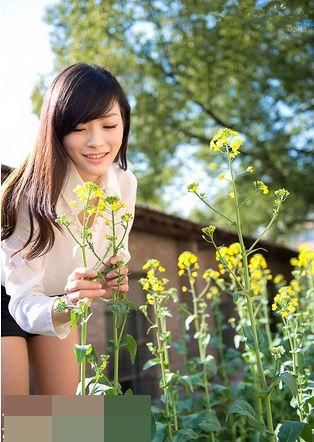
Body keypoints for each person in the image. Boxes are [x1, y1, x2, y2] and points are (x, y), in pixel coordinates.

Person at [1, 63, 137, 396]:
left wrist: (110, 275)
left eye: (109, 125)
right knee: (10, 423)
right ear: (57, 130)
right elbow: (21, 300)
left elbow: (115, 252)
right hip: (12, 297)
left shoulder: (125, 184)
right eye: (79, 128)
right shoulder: (26, 195)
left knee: (69, 422)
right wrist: (69, 302)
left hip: (60, 302)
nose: (97, 142)